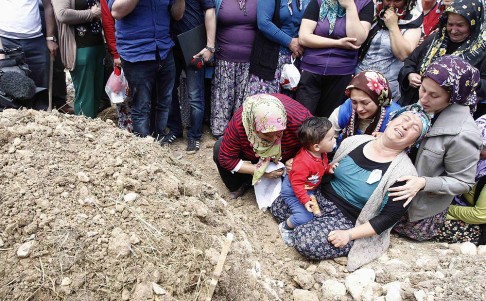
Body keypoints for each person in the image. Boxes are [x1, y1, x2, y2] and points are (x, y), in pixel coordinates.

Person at [271, 104, 431, 271]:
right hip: (320, 198)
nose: (405, 126)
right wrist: (298, 166)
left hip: (348, 218)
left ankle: (315, 228)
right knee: (278, 207)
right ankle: (309, 222)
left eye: (414, 128)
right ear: (391, 120)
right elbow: (322, 160)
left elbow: (388, 218)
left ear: (414, 141)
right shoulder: (354, 142)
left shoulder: (404, 173)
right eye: (404, 119)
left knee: (304, 239)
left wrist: (348, 235)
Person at [390, 56, 482, 241]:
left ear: (454, 98)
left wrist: (423, 183)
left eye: (434, 95)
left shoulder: (463, 134)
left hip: (420, 210)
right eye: (423, 89)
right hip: (396, 190)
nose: (423, 99)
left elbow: (463, 182)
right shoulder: (423, 109)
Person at [108, 0, 185, 138]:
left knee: (164, 103)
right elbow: (116, 12)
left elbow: (177, 15)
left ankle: (159, 140)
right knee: (141, 107)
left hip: (163, 50)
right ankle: (144, 149)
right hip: (136, 53)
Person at [213, 93, 312, 199]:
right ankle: (240, 184)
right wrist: (260, 171)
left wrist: (297, 159)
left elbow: (318, 142)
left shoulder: (299, 120)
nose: (274, 139)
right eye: (266, 135)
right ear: (254, 128)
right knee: (219, 148)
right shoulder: (240, 124)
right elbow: (226, 157)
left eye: (279, 134)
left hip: (285, 153)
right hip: (253, 153)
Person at [397, 0, 486, 106]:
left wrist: (463, 80)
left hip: (451, 112)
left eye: (460, 25)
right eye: (450, 24)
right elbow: (410, 62)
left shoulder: (481, 51)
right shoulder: (435, 40)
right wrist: (409, 75)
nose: (453, 30)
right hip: (414, 103)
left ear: (473, 25)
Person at [295, 0, 374, 117]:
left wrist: (350, 6)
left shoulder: (365, 3)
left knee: (327, 121)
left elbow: (357, 39)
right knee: (302, 119)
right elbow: (304, 37)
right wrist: (337, 43)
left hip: (342, 72)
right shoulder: (319, 1)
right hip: (312, 69)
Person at [163, 0, 216, 153]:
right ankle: (175, 129)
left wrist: (210, 46)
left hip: (193, 43)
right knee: (169, 91)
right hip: (170, 44)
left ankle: (194, 135)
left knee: (195, 94)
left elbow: (210, 11)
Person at [279, 117, 337, 246]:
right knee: (305, 217)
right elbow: (297, 184)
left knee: (318, 209)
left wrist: (328, 169)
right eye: (331, 138)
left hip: (309, 187)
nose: (335, 140)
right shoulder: (303, 162)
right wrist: (305, 200)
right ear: (316, 146)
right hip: (293, 191)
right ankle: (285, 227)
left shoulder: (321, 154)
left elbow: (321, 167)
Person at [434, 114, 486, 245]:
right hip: (461, 208)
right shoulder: (468, 158)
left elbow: (480, 215)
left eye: (484, 146)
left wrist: (444, 209)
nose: (478, 149)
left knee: (425, 224)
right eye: (476, 143)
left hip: (479, 225)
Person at [356, 0, 422, 102]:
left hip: (386, 89)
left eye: (397, 1)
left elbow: (403, 54)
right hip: (358, 82)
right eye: (387, 0)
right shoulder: (374, 13)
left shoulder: (413, 24)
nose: (391, 5)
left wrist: (393, 26)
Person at [210, 0, 258, 138]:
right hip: (224, 58)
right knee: (222, 97)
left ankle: (239, 133)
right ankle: (220, 133)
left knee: (244, 100)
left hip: (250, 60)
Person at [245, 0, 311, 96]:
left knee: (287, 107)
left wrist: (302, 44)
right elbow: (263, 23)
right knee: (264, 106)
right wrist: (290, 42)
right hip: (268, 61)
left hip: (294, 61)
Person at [0, 0, 58, 109]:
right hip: (6, 40)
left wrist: (50, 38)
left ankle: (41, 117)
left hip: (35, 39)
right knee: (12, 85)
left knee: (41, 83)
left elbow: (48, 6)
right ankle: (16, 118)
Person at [51, 0, 105, 118]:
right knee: (85, 94)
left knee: (96, 92)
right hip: (79, 46)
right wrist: (91, 13)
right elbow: (62, 14)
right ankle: (84, 128)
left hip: (98, 44)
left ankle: (94, 128)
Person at [329, 70, 401, 147]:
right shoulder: (347, 107)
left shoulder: (395, 116)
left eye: (365, 103)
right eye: (354, 102)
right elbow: (327, 134)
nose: (359, 108)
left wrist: (388, 141)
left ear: (379, 99)